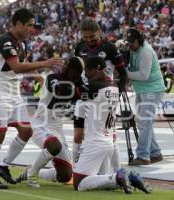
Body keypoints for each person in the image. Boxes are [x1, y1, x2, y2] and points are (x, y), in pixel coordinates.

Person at [0, 8, 63, 189]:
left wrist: (36, 75)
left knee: (26, 130)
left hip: (14, 91)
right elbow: (17, 66)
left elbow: (24, 65)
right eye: (29, 25)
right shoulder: (5, 40)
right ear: (18, 24)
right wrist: (44, 64)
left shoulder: (22, 44)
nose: (31, 29)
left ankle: (3, 166)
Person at [73, 56, 152, 194]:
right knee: (102, 180)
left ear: (97, 69)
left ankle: (117, 176)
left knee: (79, 183)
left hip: (94, 142)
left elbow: (76, 92)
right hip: (108, 141)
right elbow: (123, 76)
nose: (85, 74)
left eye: (87, 70)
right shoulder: (114, 86)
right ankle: (129, 177)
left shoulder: (94, 87)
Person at [16, 56, 85, 187]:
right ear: (67, 69)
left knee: (65, 176)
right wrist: (78, 90)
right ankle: (32, 174)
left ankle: (31, 170)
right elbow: (61, 91)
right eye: (75, 74)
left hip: (58, 128)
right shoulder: (53, 78)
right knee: (54, 146)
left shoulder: (77, 81)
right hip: (40, 124)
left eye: (78, 75)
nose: (76, 78)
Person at [73, 17, 127, 171]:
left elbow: (123, 73)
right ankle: (75, 168)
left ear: (99, 32)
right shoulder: (79, 48)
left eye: (92, 37)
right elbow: (76, 72)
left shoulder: (109, 48)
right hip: (83, 96)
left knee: (107, 135)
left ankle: (116, 171)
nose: (89, 40)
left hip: (103, 97)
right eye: (86, 37)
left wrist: (118, 91)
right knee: (78, 135)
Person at [125, 28, 166, 166]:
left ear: (140, 40)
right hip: (142, 90)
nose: (131, 45)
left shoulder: (145, 52)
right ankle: (155, 153)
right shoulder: (133, 50)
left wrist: (125, 73)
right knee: (144, 123)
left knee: (145, 122)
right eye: (128, 42)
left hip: (153, 89)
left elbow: (144, 75)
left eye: (133, 42)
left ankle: (143, 156)